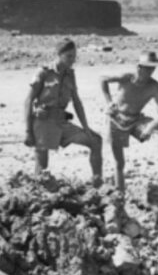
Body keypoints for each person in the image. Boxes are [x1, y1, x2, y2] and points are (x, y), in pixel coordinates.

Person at [24, 39, 102, 184]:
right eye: (69, 56)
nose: (72, 60)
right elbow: (28, 100)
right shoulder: (44, 73)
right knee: (42, 166)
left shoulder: (70, 74)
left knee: (96, 141)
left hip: (61, 122)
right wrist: (28, 131)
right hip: (43, 122)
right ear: (58, 55)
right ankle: (37, 194)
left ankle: (98, 185)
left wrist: (86, 127)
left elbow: (77, 102)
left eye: (74, 56)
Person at [100, 51, 158, 192]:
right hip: (116, 119)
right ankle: (120, 193)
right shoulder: (126, 78)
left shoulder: (154, 86)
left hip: (135, 120)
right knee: (119, 163)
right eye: (148, 68)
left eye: (153, 68)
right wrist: (108, 102)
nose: (151, 71)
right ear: (139, 67)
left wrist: (149, 128)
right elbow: (103, 79)